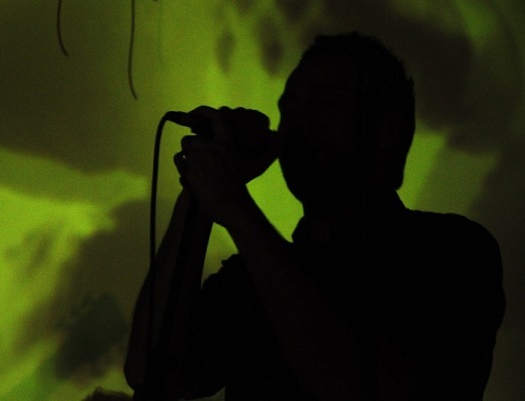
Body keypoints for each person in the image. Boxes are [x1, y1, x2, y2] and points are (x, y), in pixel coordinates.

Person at [124, 32, 505, 401]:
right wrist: (198, 198)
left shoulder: (452, 251)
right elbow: (150, 374)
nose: (296, 123)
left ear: (386, 130)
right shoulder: (248, 277)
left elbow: (359, 385)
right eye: (288, 108)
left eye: (325, 103)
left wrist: (236, 209)